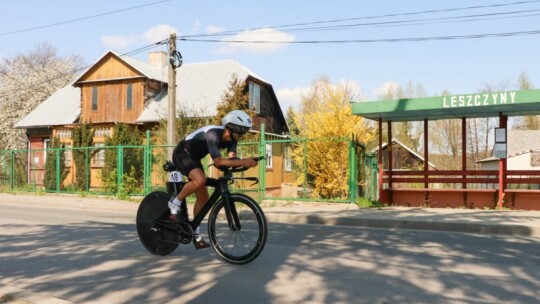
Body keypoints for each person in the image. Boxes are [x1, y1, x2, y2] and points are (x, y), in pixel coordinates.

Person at [168, 110, 258, 249]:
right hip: (182, 154)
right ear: (230, 128)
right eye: (240, 132)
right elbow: (218, 162)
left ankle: (195, 234)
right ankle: (175, 203)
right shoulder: (213, 134)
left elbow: (232, 159)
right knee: (200, 180)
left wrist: (244, 162)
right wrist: (243, 162)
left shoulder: (232, 140)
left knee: (203, 197)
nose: (241, 136)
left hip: (194, 159)